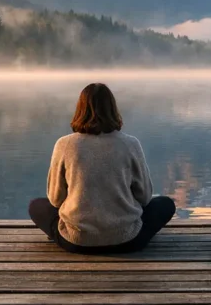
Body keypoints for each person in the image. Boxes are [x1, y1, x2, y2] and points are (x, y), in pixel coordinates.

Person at [28, 82, 176, 253]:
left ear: (80, 110)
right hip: (128, 239)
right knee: (165, 204)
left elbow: (55, 199)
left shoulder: (64, 145)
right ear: (113, 109)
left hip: (76, 241)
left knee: (36, 205)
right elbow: (145, 197)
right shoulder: (130, 144)